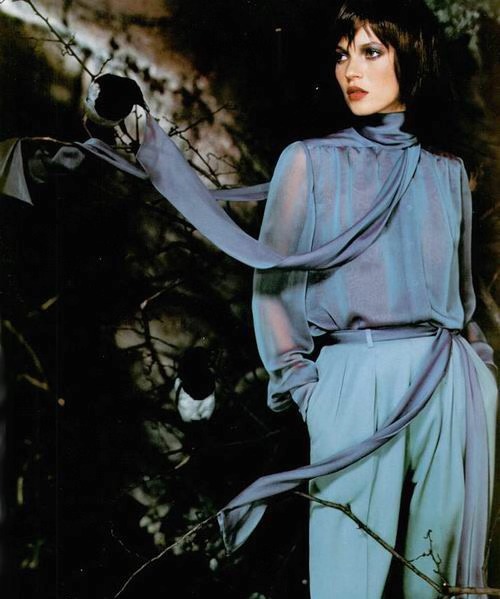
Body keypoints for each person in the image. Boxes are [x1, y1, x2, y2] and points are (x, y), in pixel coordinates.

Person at [136, 1, 498, 596]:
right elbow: (274, 285)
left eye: (371, 51)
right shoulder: (309, 160)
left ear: (413, 56)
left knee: (437, 580)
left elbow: (462, 295)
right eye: (341, 55)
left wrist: (481, 373)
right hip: (354, 375)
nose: (350, 70)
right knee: (346, 581)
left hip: (449, 379)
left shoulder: (447, 170)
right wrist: (306, 387)